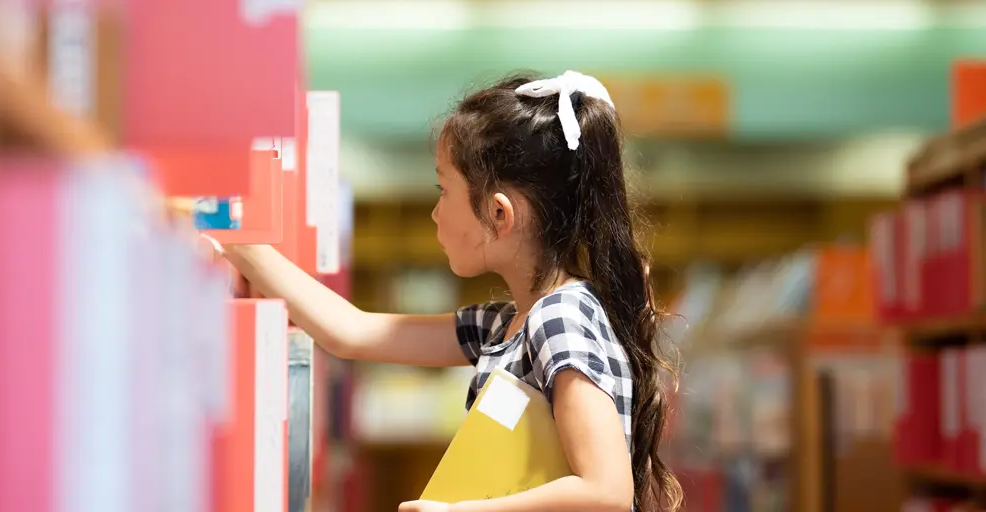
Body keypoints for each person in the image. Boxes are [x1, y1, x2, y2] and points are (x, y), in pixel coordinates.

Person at [204, 70, 680, 512]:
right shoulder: (503, 325)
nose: (435, 213)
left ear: (499, 214)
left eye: (443, 189)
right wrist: (236, 240)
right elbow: (353, 331)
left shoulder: (560, 319)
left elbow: (607, 490)